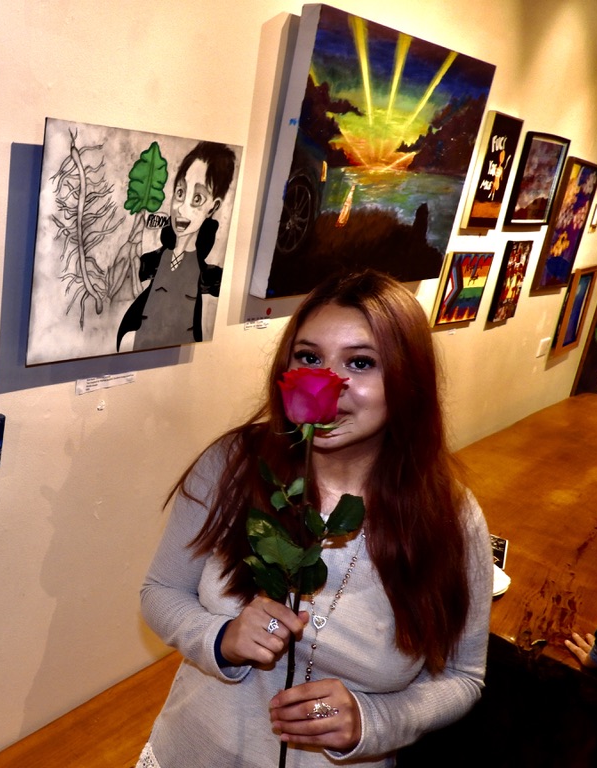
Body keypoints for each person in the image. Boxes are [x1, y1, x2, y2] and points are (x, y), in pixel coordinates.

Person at [137, 270, 493, 767]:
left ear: (407, 379)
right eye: (309, 358)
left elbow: (462, 677)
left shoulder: (450, 519)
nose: (326, 381)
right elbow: (160, 591)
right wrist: (220, 638)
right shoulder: (233, 464)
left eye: (361, 363)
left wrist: (372, 721)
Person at [116, 141, 236, 352]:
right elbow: (125, 281)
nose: (181, 209)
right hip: (141, 349)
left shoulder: (204, 272)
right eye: (180, 193)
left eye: (197, 198)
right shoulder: (156, 259)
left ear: (213, 207)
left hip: (178, 358)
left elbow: (222, 287)